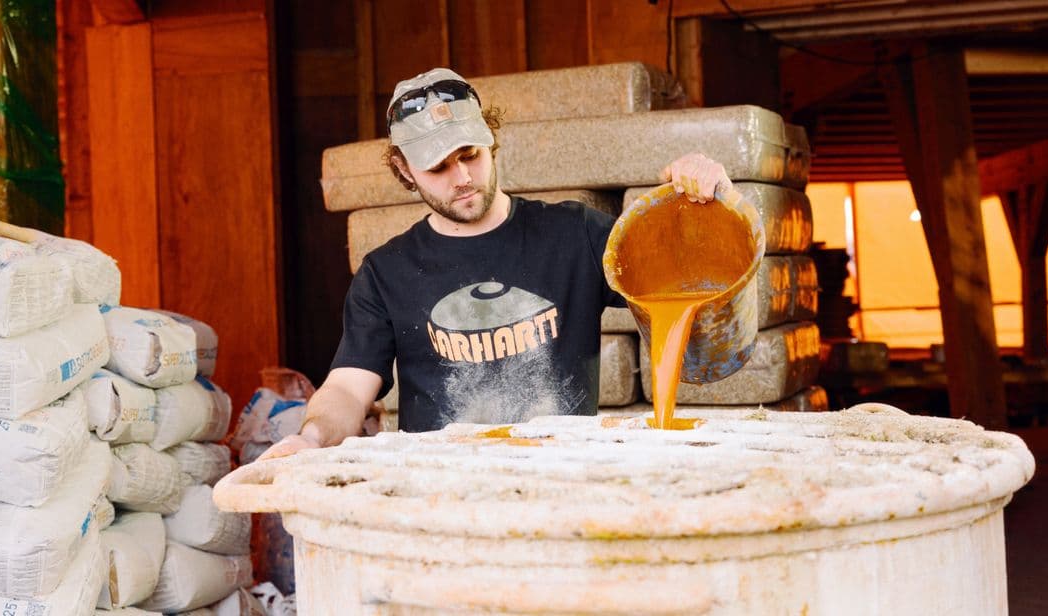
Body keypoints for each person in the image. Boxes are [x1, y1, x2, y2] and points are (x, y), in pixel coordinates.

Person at [261, 67, 731, 459]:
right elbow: (347, 388)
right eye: (438, 167)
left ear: (491, 137)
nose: (462, 178)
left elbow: (689, 297)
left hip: (563, 489)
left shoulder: (576, 235)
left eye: (470, 155)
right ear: (404, 170)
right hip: (444, 503)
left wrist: (706, 205)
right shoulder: (386, 273)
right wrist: (311, 436)